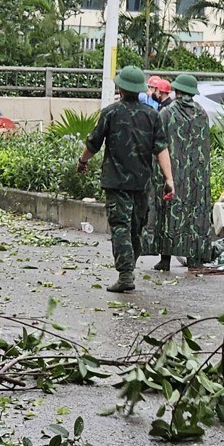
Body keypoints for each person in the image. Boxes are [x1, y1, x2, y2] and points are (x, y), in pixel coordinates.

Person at [77, 66, 174, 293]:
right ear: (140, 89)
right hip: (142, 183)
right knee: (135, 228)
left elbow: (93, 144)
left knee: (121, 227)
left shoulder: (110, 113)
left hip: (116, 182)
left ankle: (125, 274)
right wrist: (169, 179)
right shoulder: (152, 115)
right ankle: (128, 270)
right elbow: (161, 149)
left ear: (120, 87)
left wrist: (82, 162)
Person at [146, 74, 210, 272]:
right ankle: (194, 259)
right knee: (194, 213)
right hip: (196, 176)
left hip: (171, 172)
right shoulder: (202, 114)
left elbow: (158, 144)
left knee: (169, 212)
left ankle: (165, 259)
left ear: (176, 91)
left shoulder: (166, 113)